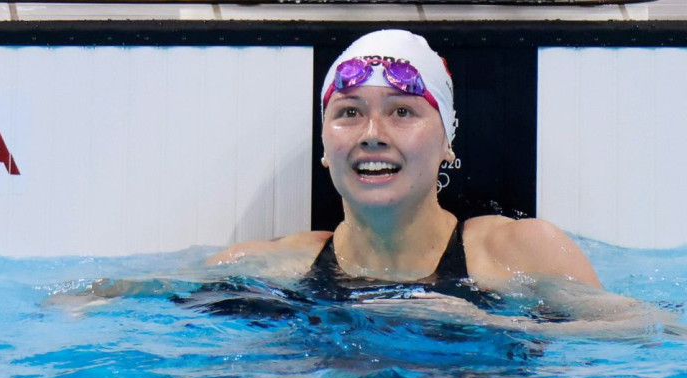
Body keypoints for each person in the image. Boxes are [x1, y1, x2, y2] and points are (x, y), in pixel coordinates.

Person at [207, 29, 601, 297]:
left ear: (447, 140)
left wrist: (477, 322)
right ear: (325, 146)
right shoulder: (261, 269)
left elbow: (636, 338)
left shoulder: (525, 253)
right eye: (349, 112)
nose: (372, 133)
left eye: (402, 112)